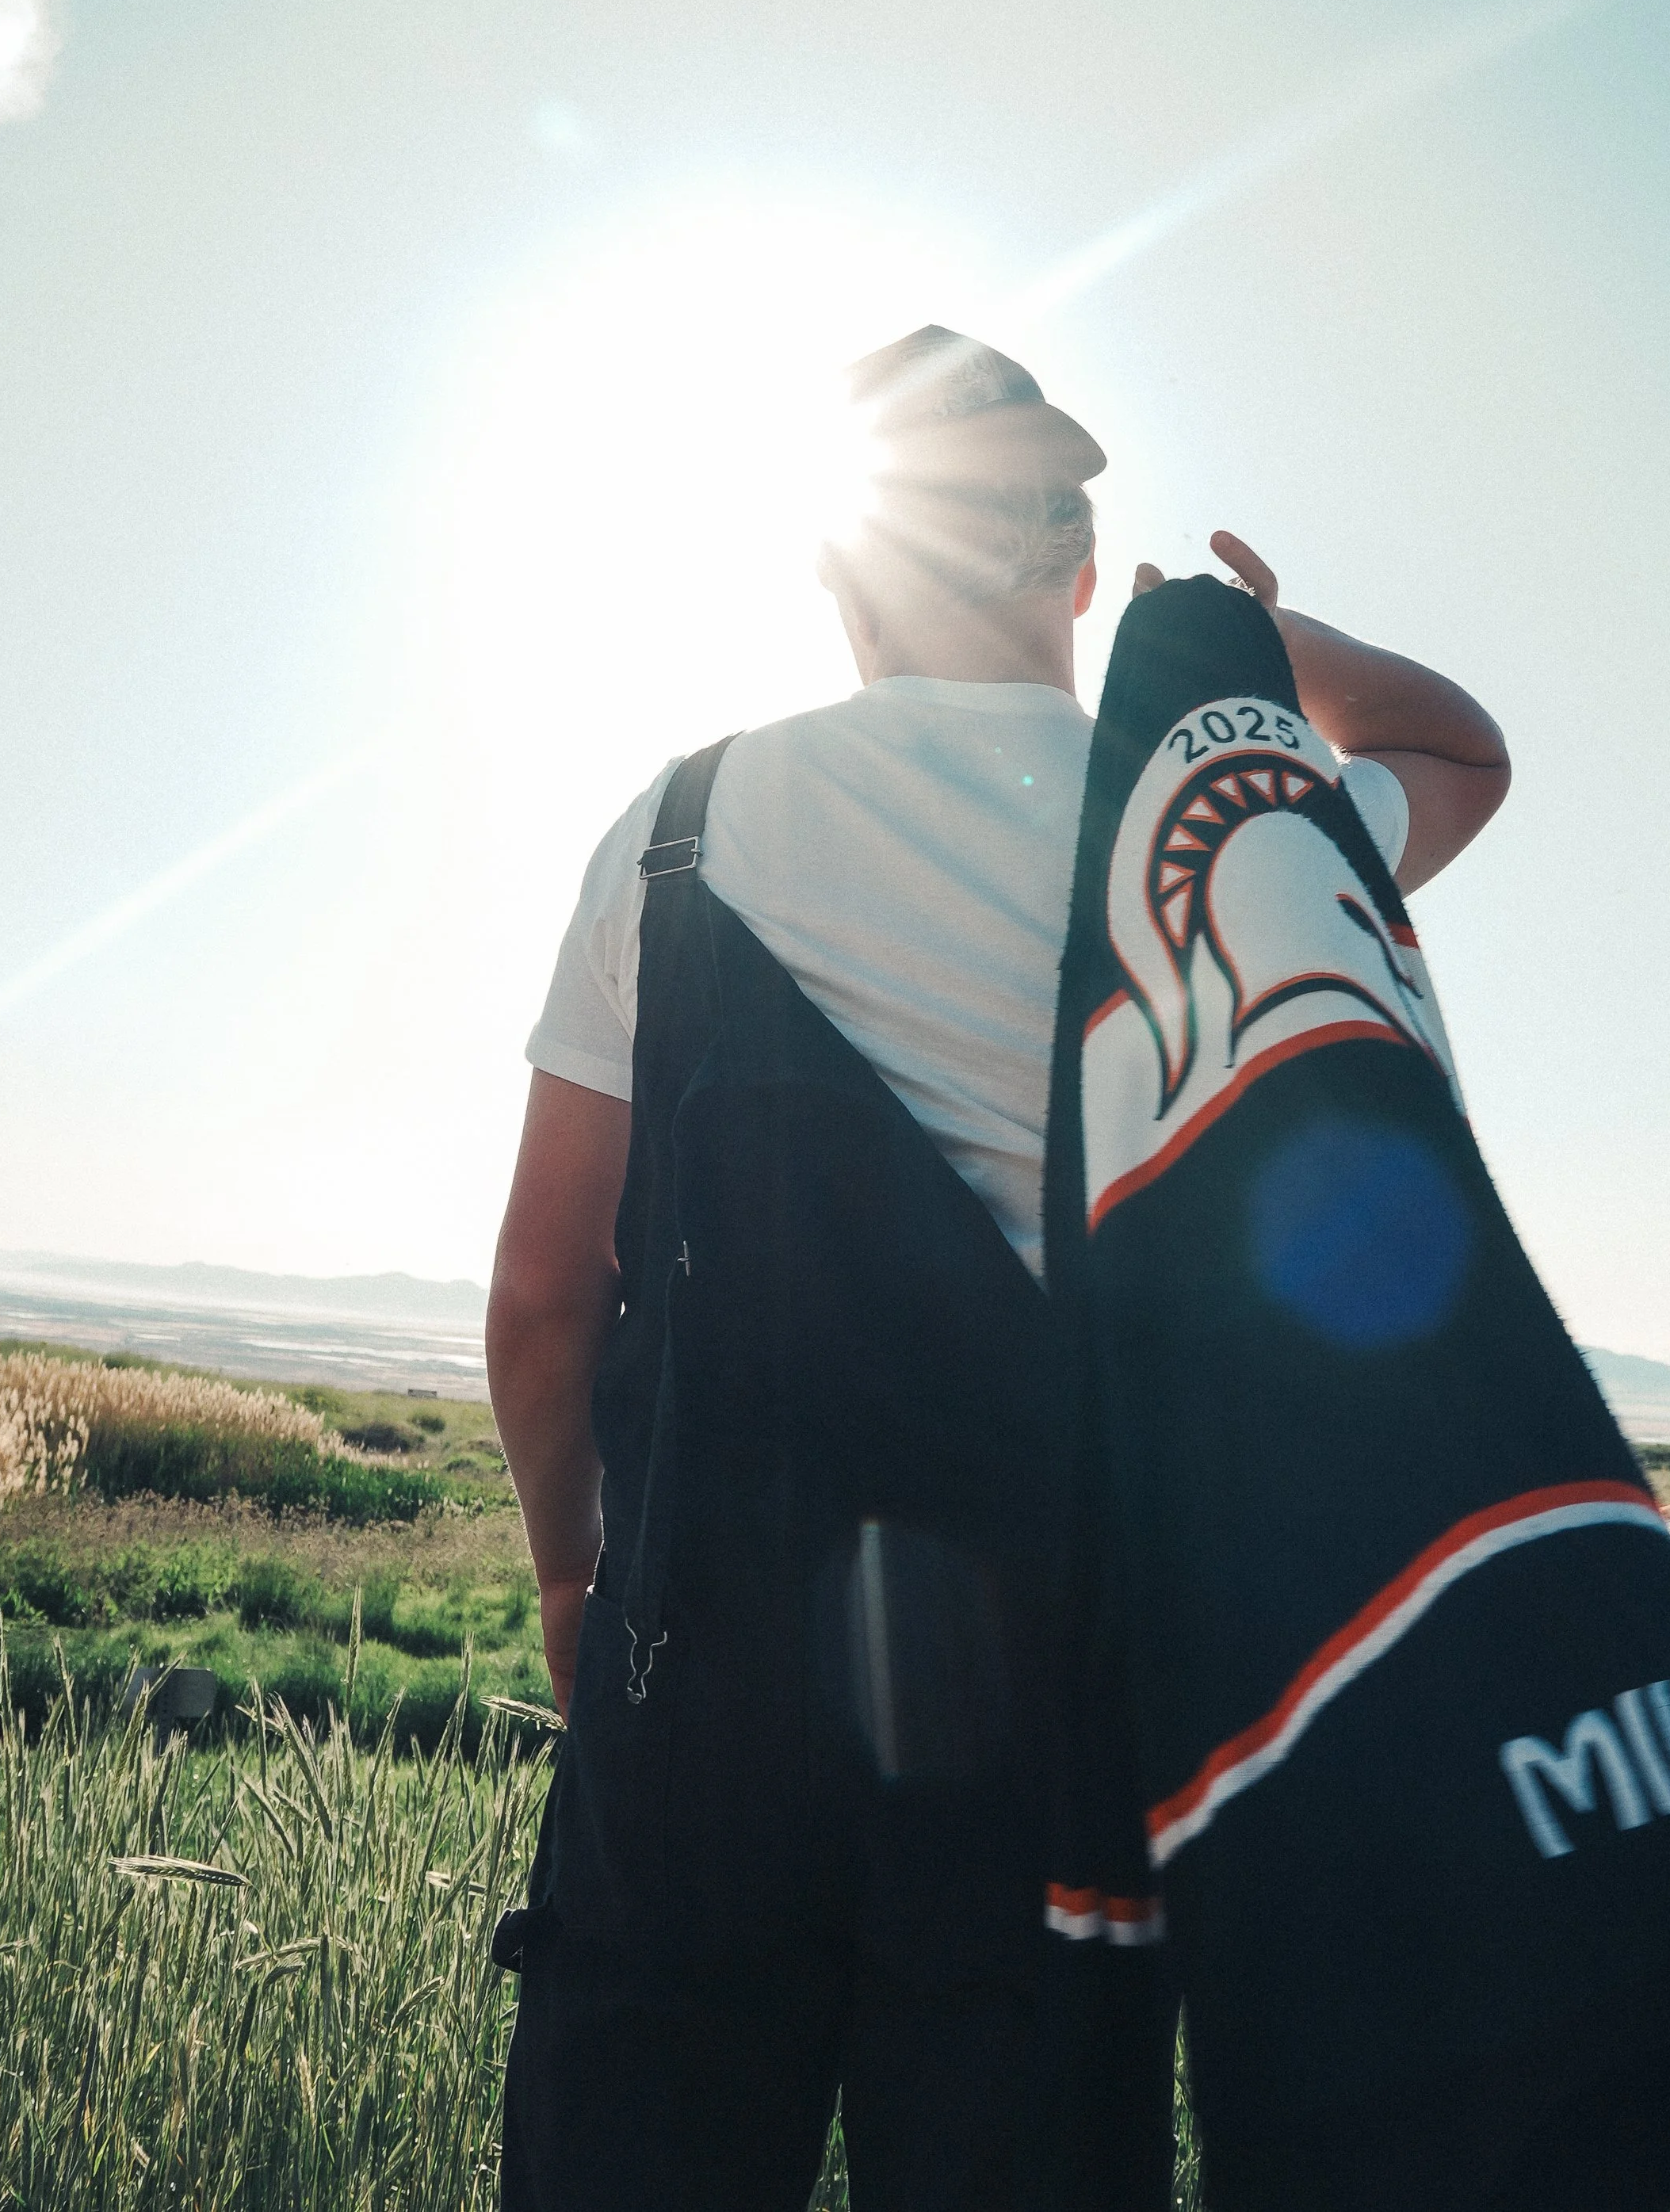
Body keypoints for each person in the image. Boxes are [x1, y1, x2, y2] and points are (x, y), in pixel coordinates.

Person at [485, 326, 1511, 2212]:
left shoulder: (679, 828)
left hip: (695, 1688)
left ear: (843, 571)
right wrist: (1242, 668)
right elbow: (1459, 748)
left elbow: (550, 1294)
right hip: (1058, 1727)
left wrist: (573, 1581)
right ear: (1076, 566)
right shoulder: (1224, 840)